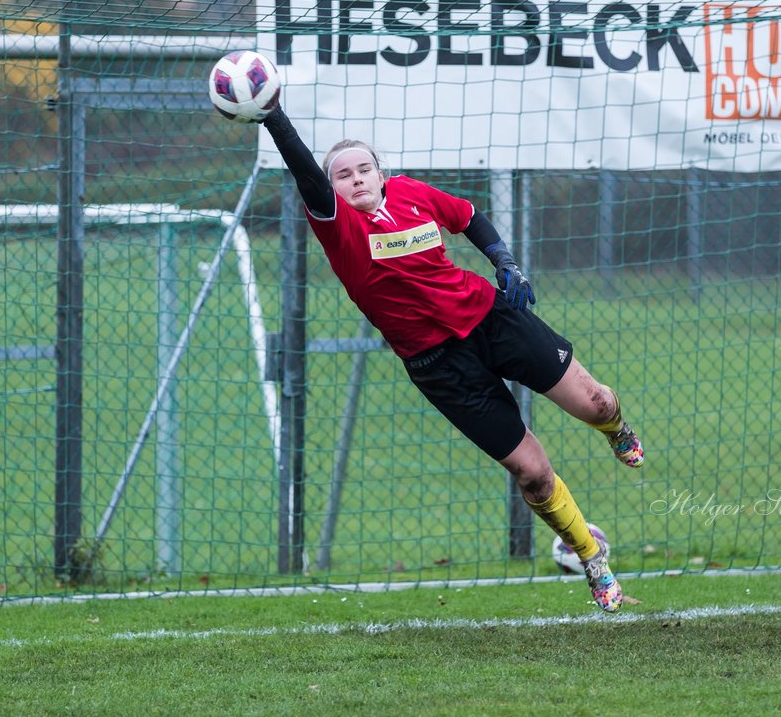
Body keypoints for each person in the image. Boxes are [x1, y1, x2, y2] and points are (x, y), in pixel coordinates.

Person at [258, 103, 644, 613]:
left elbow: (469, 217)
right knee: (532, 474)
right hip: (438, 366)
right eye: (342, 175)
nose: (355, 180)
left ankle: (615, 428)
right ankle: (593, 561)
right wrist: (273, 117)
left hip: (491, 317)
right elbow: (305, 171)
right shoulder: (337, 224)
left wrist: (504, 260)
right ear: (332, 189)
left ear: (382, 174)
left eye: (364, 169)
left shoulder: (412, 193)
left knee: (595, 403)